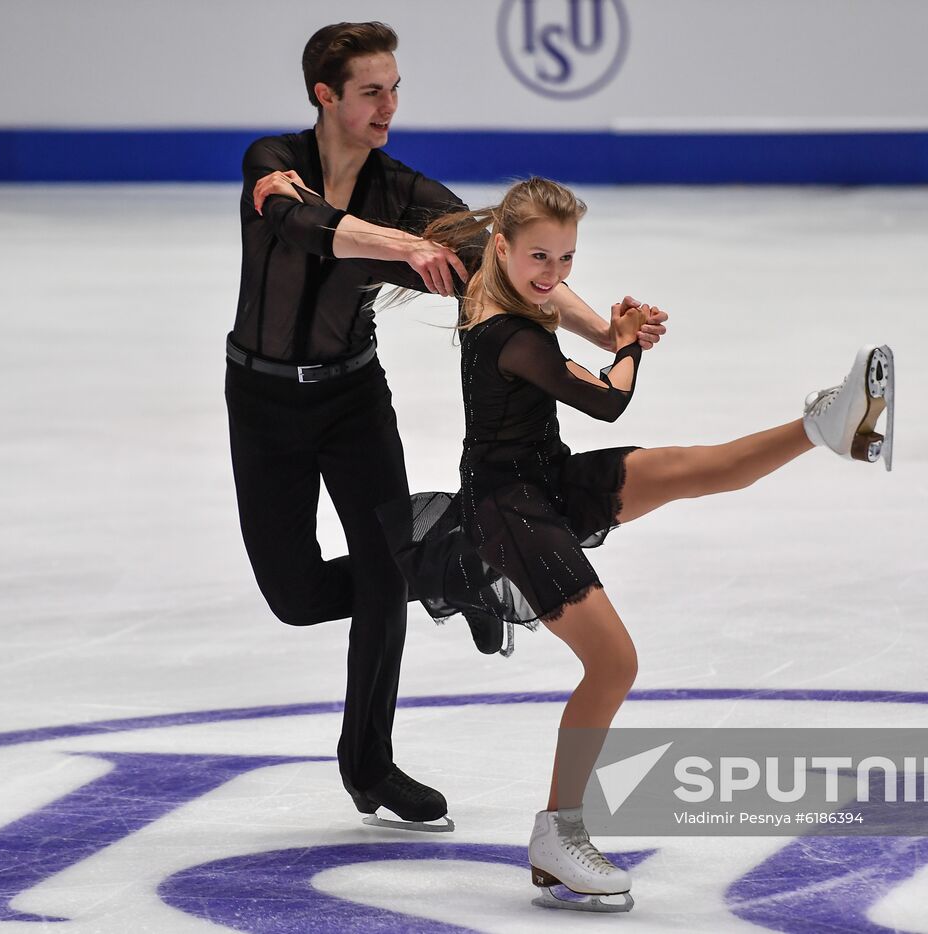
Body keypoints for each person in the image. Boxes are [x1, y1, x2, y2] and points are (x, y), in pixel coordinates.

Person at [377, 177, 894, 909]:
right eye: (539, 258)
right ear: (501, 247)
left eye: (565, 258)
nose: (553, 275)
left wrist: (615, 328)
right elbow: (608, 400)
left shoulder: (508, 288)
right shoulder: (510, 333)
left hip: (543, 476)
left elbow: (561, 311)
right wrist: (626, 344)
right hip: (509, 509)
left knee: (687, 469)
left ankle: (825, 426)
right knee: (613, 662)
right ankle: (558, 834)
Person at [226, 23, 668, 833]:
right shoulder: (271, 160)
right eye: (371, 91)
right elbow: (304, 224)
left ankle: (369, 762)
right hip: (261, 403)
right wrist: (397, 244)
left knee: (387, 569)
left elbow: (506, 262)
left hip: (353, 398)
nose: (390, 104)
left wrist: (606, 336)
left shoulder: (404, 185)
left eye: (394, 87)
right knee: (297, 595)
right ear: (325, 95)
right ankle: (455, 572)